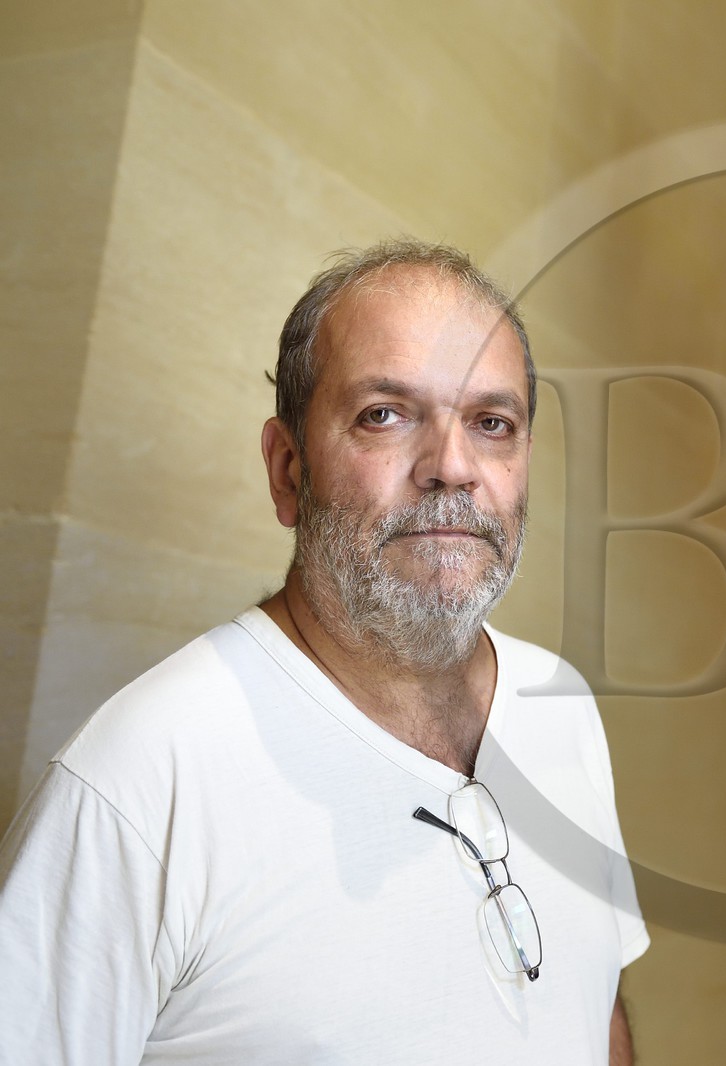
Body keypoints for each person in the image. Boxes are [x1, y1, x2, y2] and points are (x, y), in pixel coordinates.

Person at [0, 239, 649, 1063]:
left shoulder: (563, 706)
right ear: (286, 469)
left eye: (492, 424)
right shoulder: (143, 778)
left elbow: (594, 1012)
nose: (451, 467)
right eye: (385, 414)